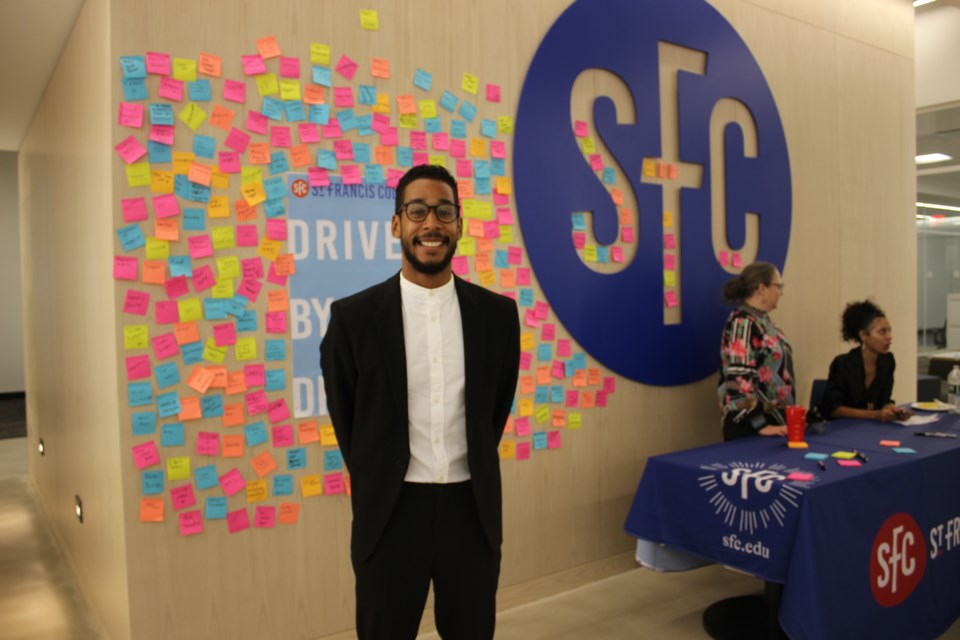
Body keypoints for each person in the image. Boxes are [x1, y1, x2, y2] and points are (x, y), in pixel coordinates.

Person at [320, 164, 521, 640]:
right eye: (417, 211)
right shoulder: (352, 319)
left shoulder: (497, 316)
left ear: (459, 226)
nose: (431, 223)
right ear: (397, 225)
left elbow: (493, 413)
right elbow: (348, 419)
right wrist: (380, 472)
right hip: (390, 514)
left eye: (444, 211)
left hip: (470, 512)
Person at [718, 262, 794, 440]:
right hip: (752, 428)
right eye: (778, 286)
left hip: (774, 423)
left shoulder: (762, 321)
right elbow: (738, 380)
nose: (781, 292)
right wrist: (760, 425)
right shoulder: (742, 323)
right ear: (762, 288)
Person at [818, 300, 910, 422]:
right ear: (863, 335)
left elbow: (884, 400)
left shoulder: (887, 361)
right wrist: (875, 415)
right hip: (838, 428)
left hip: (869, 428)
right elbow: (834, 409)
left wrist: (892, 409)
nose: (889, 337)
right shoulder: (843, 364)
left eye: (889, 331)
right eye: (882, 332)